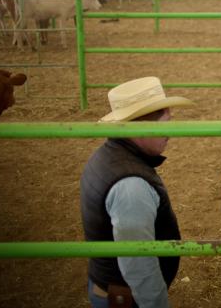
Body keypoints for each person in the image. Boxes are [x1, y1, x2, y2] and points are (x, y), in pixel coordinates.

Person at [81, 77, 193, 308]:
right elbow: (139, 266)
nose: (171, 133)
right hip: (126, 298)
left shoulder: (109, 155)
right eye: (166, 123)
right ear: (141, 126)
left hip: (112, 288)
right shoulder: (131, 185)